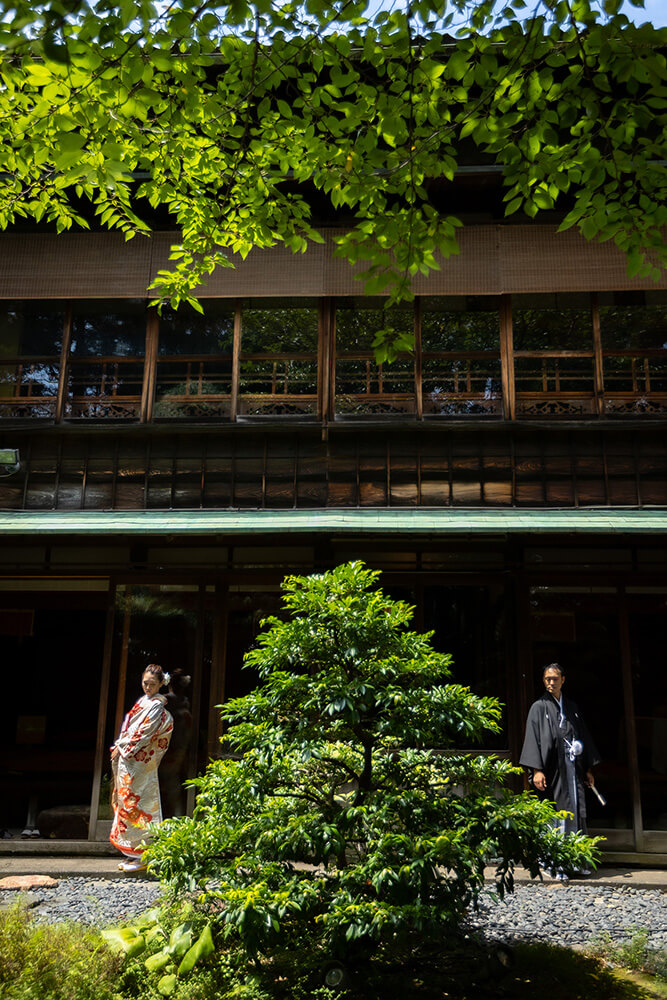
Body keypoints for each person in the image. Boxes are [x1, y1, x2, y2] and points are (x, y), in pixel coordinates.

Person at [520, 662, 600, 876]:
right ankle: (552, 863)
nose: (551, 683)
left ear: (563, 680)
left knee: (575, 812)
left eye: (555, 679)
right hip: (553, 771)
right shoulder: (538, 707)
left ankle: (576, 860)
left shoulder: (571, 707)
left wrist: (588, 769)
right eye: (547, 679)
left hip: (573, 769)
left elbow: (582, 736)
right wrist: (536, 770)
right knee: (555, 814)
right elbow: (533, 739)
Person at [110, 664, 174, 872]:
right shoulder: (142, 702)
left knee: (140, 804)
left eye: (152, 684)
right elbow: (128, 728)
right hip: (130, 760)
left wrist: (122, 748)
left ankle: (145, 854)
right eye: (145, 683)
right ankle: (132, 853)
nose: (148, 687)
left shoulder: (156, 706)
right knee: (126, 803)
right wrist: (119, 746)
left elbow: (143, 734)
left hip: (139, 763)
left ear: (161, 684)